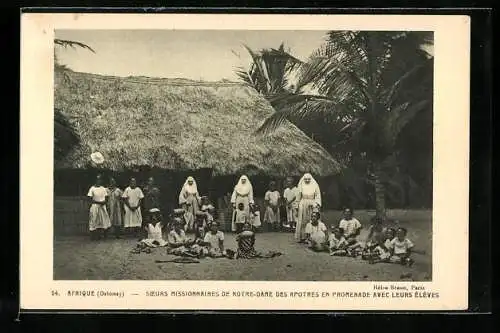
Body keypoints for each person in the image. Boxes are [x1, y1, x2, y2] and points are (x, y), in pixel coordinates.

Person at [295, 173, 322, 243]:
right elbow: (298, 195)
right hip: (303, 203)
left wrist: (316, 203)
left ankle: (312, 237)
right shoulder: (301, 185)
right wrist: (297, 205)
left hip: (312, 203)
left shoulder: (315, 185)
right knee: (302, 221)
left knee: (311, 219)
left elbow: (318, 195)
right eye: (305, 179)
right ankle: (302, 237)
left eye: (308, 179)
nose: (307, 180)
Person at [87, 174, 111, 240]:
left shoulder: (103, 188)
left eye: (100, 179)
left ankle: (104, 236)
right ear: (95, 180)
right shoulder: (92, 188)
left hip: (102, 207)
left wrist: (104, 202)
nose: (99, 181)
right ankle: (93, 236)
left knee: (105, 220)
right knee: (94, 221)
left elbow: (106, 198)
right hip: (95, 207)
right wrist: (98, 202)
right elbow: (90, 199)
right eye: (97, 179)